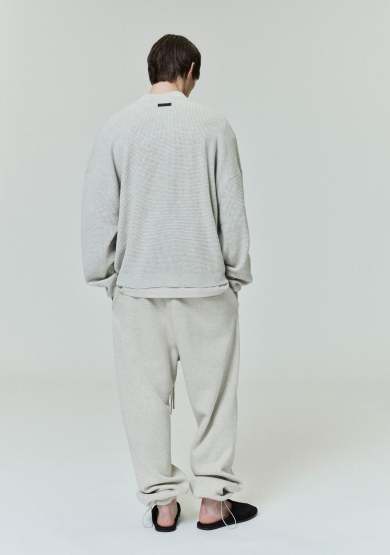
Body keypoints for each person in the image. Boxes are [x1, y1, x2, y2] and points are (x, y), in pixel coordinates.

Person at [81, 34, 257, 532]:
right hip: (206, 286)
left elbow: (98, 212)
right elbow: (232, 209)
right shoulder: (213, 125)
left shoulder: (117, 127)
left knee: (144, 400)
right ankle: (213, 503)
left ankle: (163, 505)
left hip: (139, 290)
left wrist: (105, 274)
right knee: (214, 398)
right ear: (191, 70)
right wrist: (236, 273)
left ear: (151, 70)